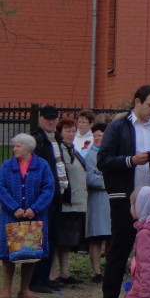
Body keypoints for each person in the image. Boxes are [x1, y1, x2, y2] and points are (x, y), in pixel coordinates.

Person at [97, 85, 150, 298]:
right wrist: (130, 160)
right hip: (125, 199)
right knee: (119, 251)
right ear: (137, 101)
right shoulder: (119, 127)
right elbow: (103, 160)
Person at [1, 134, 55, 298]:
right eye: (14, 146)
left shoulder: (42, 165)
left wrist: (34, 208)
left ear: (28, 148)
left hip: (34, 216)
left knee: (30, 253)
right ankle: (6, 289)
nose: (14, 149)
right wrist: (14, 207)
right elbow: (1, 187)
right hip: (11, 216)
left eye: (18, 146)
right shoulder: (7, 165)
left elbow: (48, 188)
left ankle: (24, 289)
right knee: (8, 253)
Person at [30, 105, 63, 294]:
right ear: (41, 119)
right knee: (41, 238)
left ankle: (45, 277)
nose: (50, 121)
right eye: (47, 118)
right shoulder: (37, 140)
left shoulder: (57, 139)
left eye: (53, 118)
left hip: (57, 194)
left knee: (52, 238)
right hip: (44, 196)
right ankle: (36, 279)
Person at [52, 118, 88, 285]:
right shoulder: (58, 150)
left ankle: (65, 272)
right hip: (65, 202)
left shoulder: (73, 150)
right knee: (58, 238)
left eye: (74, 131)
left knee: (68, 241)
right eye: (68, 131)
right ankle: (52, 274)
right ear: (60, 133)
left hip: (78, 201)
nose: (72, 134)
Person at [83, 122, 111, 284]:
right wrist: (110, 181)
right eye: (96, 136)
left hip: (110, 200)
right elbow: (91, 178)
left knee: (110, 237)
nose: (99, 138)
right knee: (96, 237)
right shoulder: (89, 155)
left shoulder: (111, 153)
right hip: (97, 200)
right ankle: (96, 271)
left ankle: (109, 267)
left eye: (101, 135)